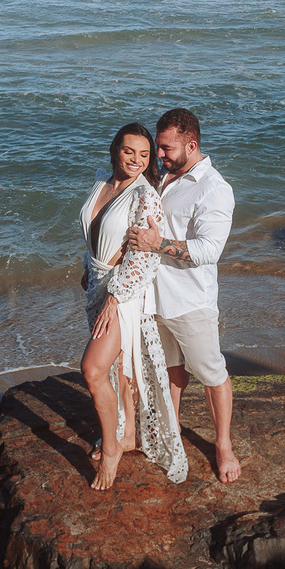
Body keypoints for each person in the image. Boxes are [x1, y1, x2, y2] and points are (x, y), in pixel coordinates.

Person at [125, 108, 240, 483]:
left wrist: (158, 244)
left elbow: (209, 250)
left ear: (192, 145)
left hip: (191, 302)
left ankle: (223, 445)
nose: (159, 155)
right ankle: (170, 434)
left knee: (211, 373)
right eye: (158, 148)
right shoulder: (166, 176)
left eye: (166, 148)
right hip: (153, 298)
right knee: (169, 370)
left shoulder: (214, 189)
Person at [79, 123, 189, 490]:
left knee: (93, 370)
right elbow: (94, 233)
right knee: (119, 370)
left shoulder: (145, 196)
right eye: (130, 152)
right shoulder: (102, 183)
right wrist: (88, 272)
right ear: (115, 150)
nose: (137, 161)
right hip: (96, 284)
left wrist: (114, 297)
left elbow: (143, 258)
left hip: (122, 296)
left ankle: (111, 450)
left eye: (145, 155)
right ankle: (126, 436)